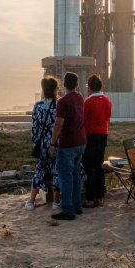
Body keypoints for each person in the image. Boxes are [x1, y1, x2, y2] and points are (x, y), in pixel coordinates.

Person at [49, 71, 87, 221]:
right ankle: (77, 205)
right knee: (76, 174)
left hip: (68, 143)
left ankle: (67, 209)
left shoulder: (62, 102)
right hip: (81, 141)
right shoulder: (80, 98)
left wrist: (53, 142)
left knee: (66, 176)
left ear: (64, 85)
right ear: (77, 85)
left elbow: (58, 124)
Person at [27, 76, 60, 211]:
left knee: (39, 170)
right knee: (56, 171)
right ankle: (56, 202)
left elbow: (34, 126)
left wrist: (35, 142)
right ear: (54, 89)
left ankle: (31, 201)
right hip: (54, 143)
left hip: (41, 144)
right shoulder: (58, 105)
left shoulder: (38, 105)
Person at [82, 75, 112, 208]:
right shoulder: (107, 100)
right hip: (103, 134)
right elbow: (108, 118)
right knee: (99, 165)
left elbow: (83, 120)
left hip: (90, 134)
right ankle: (100, 197)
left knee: (88, 166)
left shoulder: (87, 102)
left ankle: (89, 197)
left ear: (89, 88)